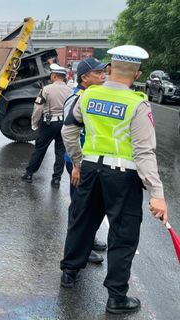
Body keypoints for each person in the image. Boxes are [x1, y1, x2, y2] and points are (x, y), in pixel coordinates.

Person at [59, 45, 168, 314]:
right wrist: (156, 193)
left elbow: (68, 131)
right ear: (138, 73)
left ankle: (69, 273)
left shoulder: (88, 96)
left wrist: (78, 161)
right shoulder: (137, 104)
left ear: (109, 70)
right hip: (123, 177)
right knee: (123, 234)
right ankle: (116, 297)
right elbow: (144, 152)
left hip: (91, 170)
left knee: (82, 221)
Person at [62, 58, 108, 265]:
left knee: (88, 205)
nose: (103, 76)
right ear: (85, 78)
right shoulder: (77, 98)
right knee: (79, 206)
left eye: (103, 72)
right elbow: (69, 132)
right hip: (77, 160)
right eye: (98, 73)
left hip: (88, 160)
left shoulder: (93, 96)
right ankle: (80, 247)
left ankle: (87, 239)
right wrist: (77, 164)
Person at [21, 63, 72, 187]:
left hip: (48, 123)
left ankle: (29, 174)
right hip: (64, 124)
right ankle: (56, 180)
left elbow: (38, 108)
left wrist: (34, 123)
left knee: (40, 149)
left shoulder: (46, 89)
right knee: (60, 152)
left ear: (54, 76)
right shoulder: (70, 91)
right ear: (63, 77)